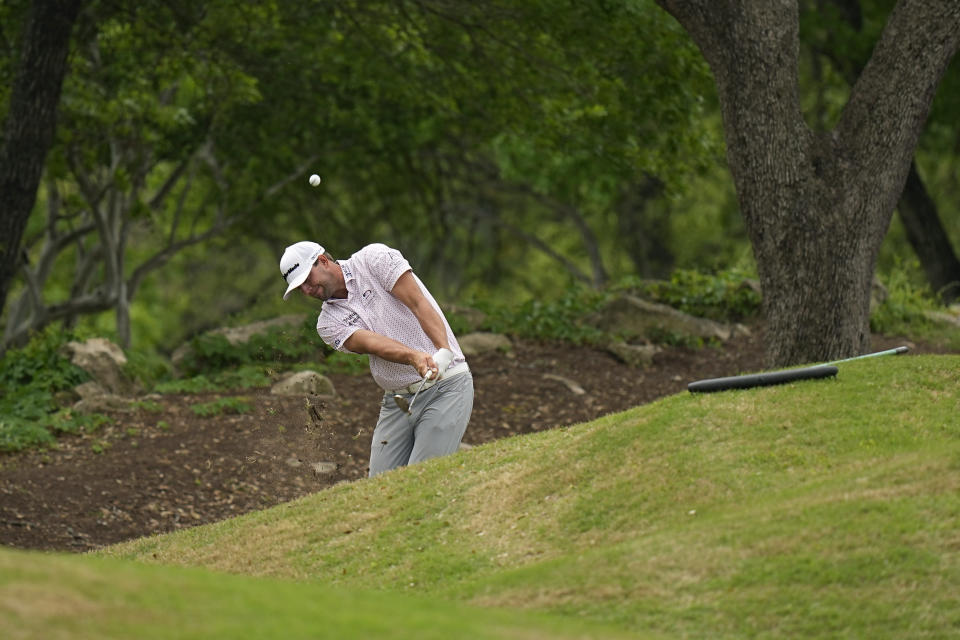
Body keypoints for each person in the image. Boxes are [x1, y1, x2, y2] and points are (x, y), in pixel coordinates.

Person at [279, 241, 473, 477]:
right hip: (397, 402)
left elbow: (417, 302)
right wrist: (414, 357)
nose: (307, 290)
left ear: (322, 261)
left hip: (446, 386)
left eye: (308, 280)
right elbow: (372, 343)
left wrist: (443, 350)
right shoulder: (328, 323)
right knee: (380, 489)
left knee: (423, 478)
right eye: (300, 288)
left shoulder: (374, 259)